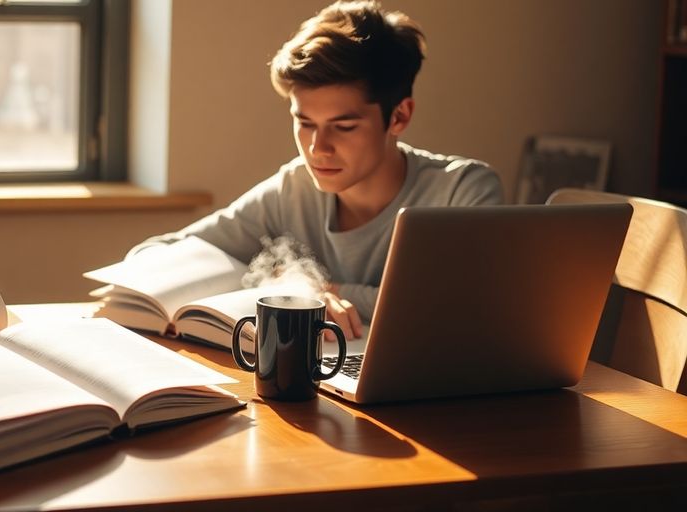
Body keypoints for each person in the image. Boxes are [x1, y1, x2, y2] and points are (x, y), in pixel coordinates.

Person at [128, 0, 503, 339]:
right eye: (304, 122)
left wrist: (330, 292)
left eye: (343, 126)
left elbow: (470, 312)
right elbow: (153, 257)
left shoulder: (463, 190)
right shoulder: (293, 189)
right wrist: (291, 289)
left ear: (399, 116)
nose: (316, 148)